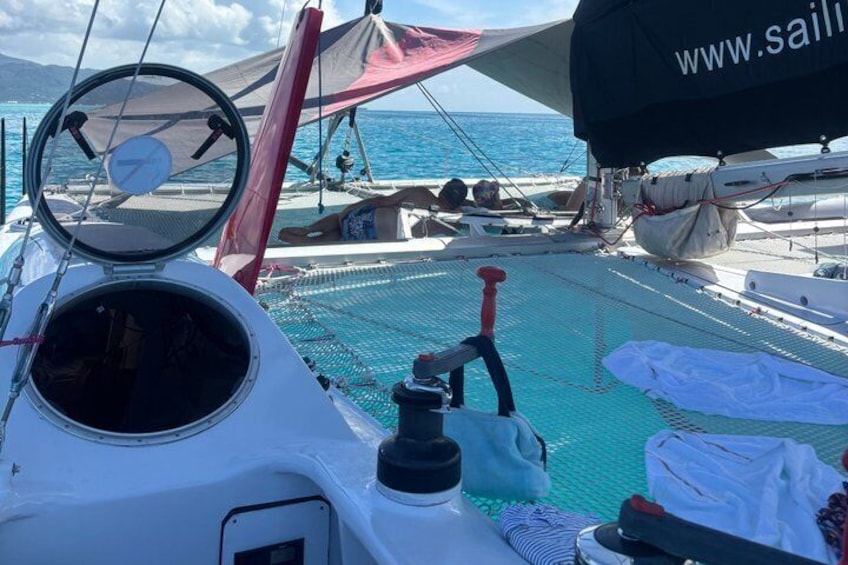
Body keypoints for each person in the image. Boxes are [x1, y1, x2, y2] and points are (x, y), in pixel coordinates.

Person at [278, 178, 468, 244]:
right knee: (340, 236)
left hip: (368, 220)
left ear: (442, 190)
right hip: (375, 237)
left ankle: (308, 229)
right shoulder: (454, 220)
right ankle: (305, 241)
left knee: (340, 219)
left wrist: (351, 208)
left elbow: (382, 201)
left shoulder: (420, 193)